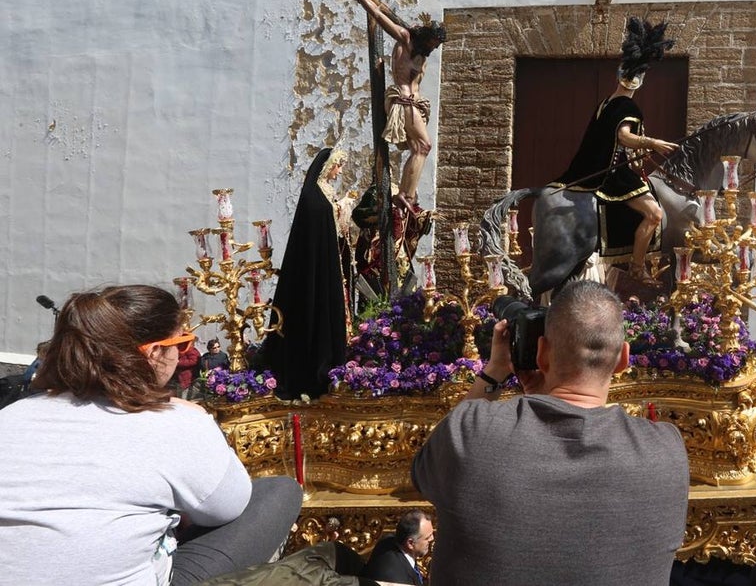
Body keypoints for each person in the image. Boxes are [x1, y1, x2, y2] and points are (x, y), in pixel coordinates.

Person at [0, 284, 302, 585]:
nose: (183, 353)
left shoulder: (10, 417)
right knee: (279, 492)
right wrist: (200, 420)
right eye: (182, 344)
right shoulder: (176, 421)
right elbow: (228, 506)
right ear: (155, 353)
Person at [411, 280, 690, 585]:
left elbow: (421, 473)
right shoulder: (666, 451)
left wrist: (494, 371)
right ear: (623, 359)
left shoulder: (473, 431)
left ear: (542, 353)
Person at [550, 18, 677, 286]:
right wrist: (652, 143)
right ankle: (637, 267)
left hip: (601, 170)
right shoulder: (627, 107)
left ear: (619, 75)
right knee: (655, 214)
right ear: (640, 81)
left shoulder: (606, 104)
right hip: (614, 175)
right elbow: (624, 137)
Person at [335, 0, 446, 212]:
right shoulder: (406, 39)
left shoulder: (423, 51)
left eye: (437, 45)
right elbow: (376, 13)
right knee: (423, 146)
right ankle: (405, 194)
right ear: (427, 35)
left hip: (414, 104)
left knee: (420, 148)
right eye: (433, 42)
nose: (434, 48)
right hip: (403, 101)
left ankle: (408, 193)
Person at [264, 147, 357, 400]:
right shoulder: (312, 196)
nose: (339, 172)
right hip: (313, 267)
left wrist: (341, 209)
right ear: (326, 166)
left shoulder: (324, 193)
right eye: (337, 166)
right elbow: (317, 222)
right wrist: (338, 210)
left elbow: (333, 227)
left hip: (329, 263)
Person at [360, 509, 434, 585]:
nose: (432, 539)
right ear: (410, 543)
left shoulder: (388, 541)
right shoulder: (398, 580)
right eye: (427, 538)